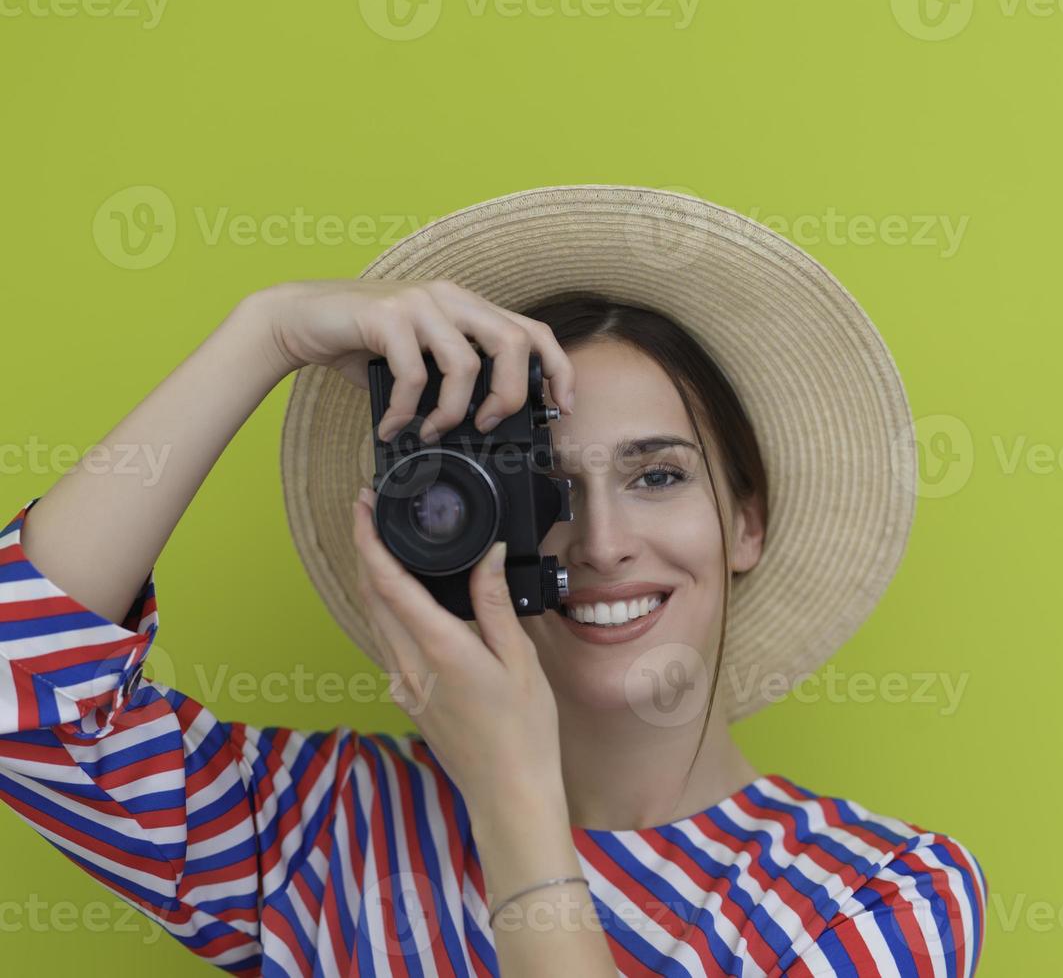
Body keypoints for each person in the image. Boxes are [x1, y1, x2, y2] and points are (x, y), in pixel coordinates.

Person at [0, 185, 987, 976]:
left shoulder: (873, 894)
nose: (600, 540)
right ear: (450, 518)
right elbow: (21, 672)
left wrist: (513, 796)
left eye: (656, 474)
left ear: (743, 520)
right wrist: (266, 333)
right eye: (543, 486)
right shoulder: (322, 827)